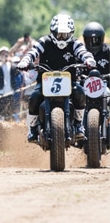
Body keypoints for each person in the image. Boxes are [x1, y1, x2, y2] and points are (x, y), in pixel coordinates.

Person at [17, 13, 96, 143]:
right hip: (45, 80)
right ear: (52, 32)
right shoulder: (44, 41)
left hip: (69, 82)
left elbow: (83, 52)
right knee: (34, 97)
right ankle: (32, 129)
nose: (62, 38)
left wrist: (88, 60)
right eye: (59, 34)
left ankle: (78, 125)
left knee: (80, 93)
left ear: (71, 33)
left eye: (65, 34)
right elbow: (33, 52)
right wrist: (25, 61)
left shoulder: (75, 43)